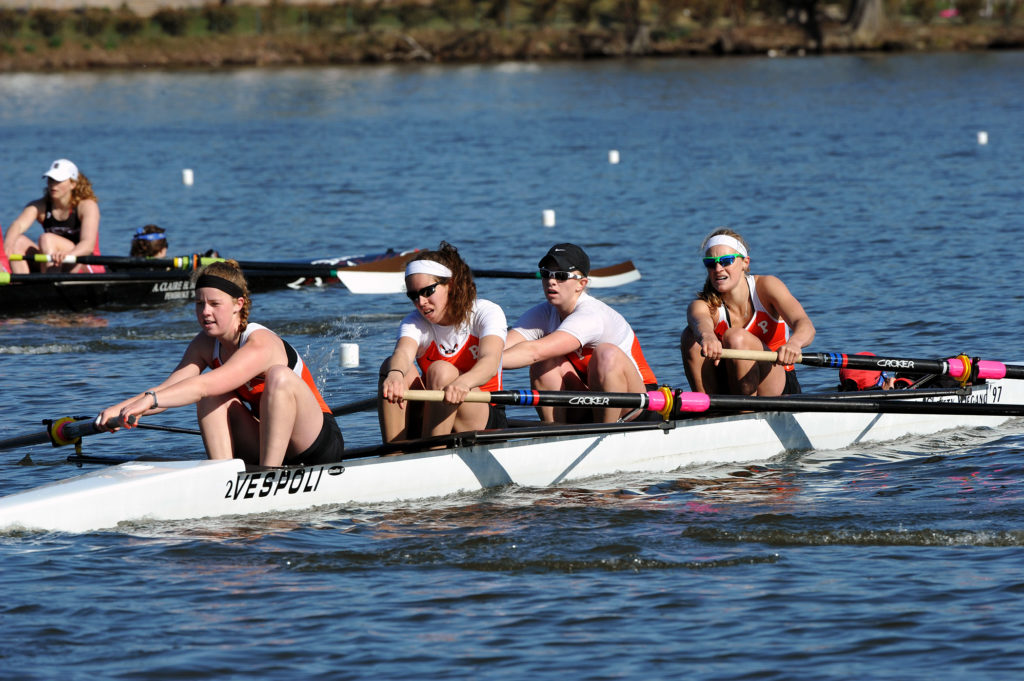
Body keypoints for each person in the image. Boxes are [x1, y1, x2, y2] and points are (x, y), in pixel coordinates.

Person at [96, 260, 343, 467]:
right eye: (199, 303)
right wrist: (119, 410)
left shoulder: (261, 343)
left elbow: (201, 385)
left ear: (239, 304)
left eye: (214, 304)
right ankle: (222, 477)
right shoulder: (204, 344)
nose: (205, 312)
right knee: (210, 397)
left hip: (315, 443)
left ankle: (269, 475)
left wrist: (149, 400)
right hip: (269, 439)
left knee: (277, 376)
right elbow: (168, 390)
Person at [502, 243, 658, 424]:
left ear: (581, 284)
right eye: (546, 274)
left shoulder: (591, 315)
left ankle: (606, 432)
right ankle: (554, 433)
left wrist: (485, 363)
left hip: (638, 403)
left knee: (605, 353)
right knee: (546, 362)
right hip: (590, 399)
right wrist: (471, 361)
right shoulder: (543, 313)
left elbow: (533, 352)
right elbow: (501, 346)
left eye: (561, 276)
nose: (551, 281)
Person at [379, 242, 507, 443]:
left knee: (441, 371)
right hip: (435, 411)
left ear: (451, 284)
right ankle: (394, 452)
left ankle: (433, 453)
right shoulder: (414, 322)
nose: (421, 302)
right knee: (392, 367)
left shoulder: (486, 312)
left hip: (482, 413)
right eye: (413, 296)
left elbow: (490, 363)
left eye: (427, 291)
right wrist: (394, 375)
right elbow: (403, 354)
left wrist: (463, 383)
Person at [680, 228, 815, 396]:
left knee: (736, 337)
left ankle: (744, 412)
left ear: (745, 262)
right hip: (731, 387)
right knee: (691, 336)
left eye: (726, 261)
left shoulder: (767, 286)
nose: (718, 268)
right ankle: (708, 410)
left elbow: (804, 324)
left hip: (778, 382)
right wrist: (707, 336)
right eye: (710, 263)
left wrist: (794, 344)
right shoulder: (703, 305)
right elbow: (699, 321)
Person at [4, 159, 105, 274]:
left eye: (59, 180)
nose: (53, 184)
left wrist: (68, 255)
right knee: (17, 241)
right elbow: (18, 225)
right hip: (55, 260)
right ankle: (20, 286)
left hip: (84, 263)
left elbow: (88, 245)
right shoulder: (40, 206)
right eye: (51, 180)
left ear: (73, 184)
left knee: (47, 239)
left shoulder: (87, 206)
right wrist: (8, 245)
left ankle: (49, 284)